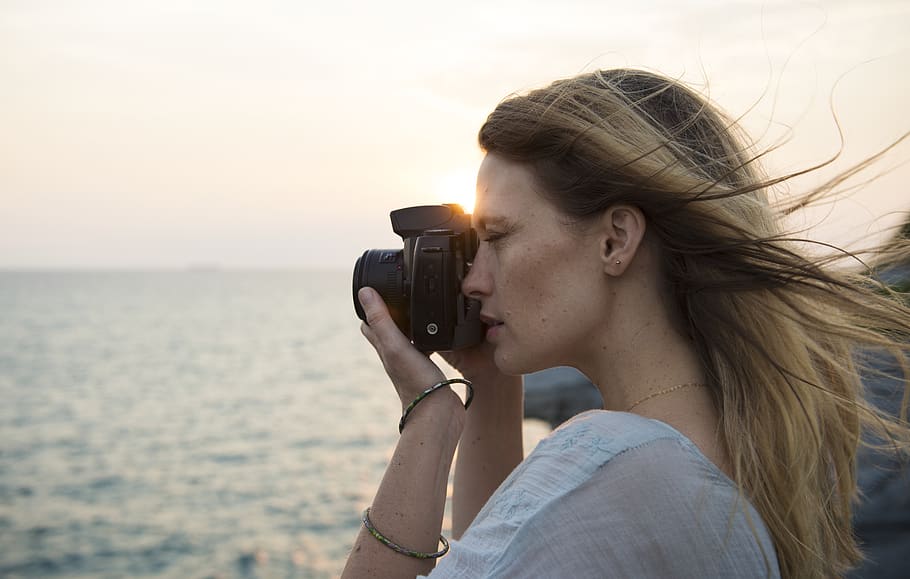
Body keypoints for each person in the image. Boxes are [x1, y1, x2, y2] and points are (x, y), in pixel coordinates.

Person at [341, 69, 910, 578]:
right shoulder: (719, 454)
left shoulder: (613, 464)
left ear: (615, 239)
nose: (472, 280)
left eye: (498, 236)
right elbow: (489, 558)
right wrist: (489, 386)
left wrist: (430, 420)